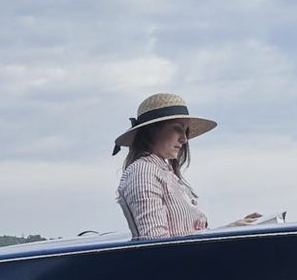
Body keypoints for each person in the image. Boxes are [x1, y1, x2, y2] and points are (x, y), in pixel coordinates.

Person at [112, 92, 263, 238]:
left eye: (185, 131)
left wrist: (232, 229)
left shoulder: (162, 172)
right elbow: (156, 244)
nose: (184, 139)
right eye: (177, 129)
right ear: (152, 130)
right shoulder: (144, 171)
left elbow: (183, 237)